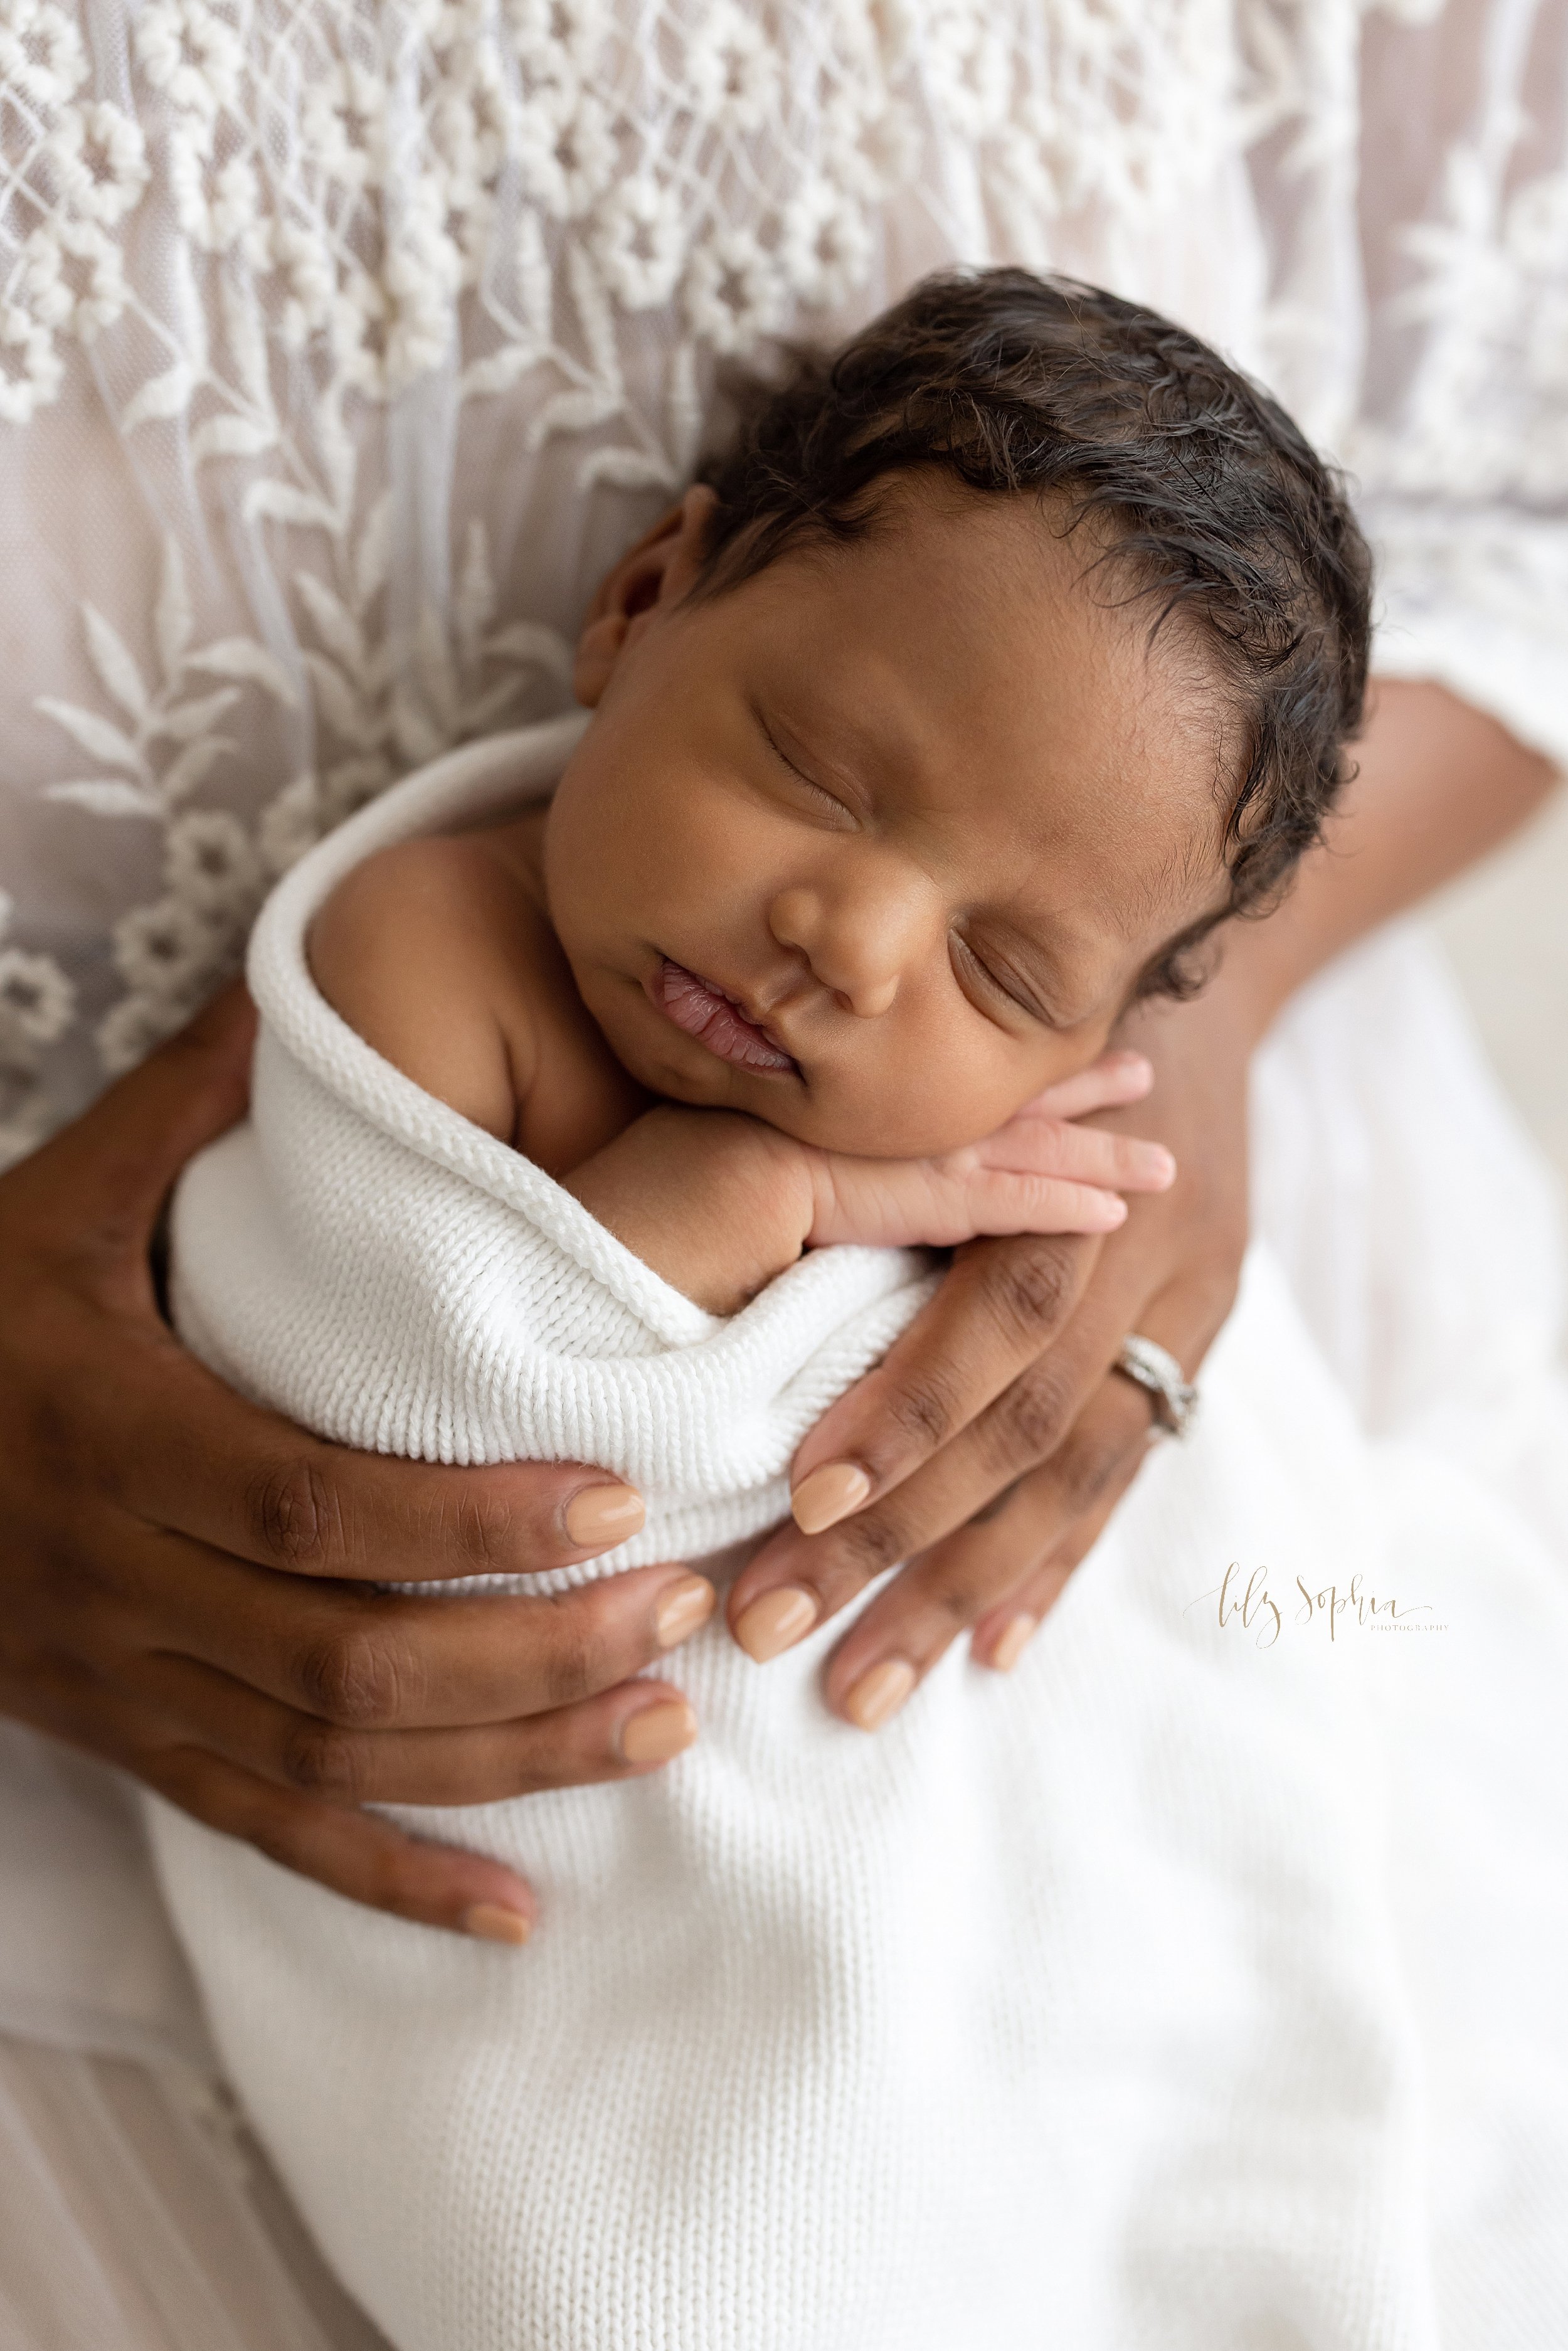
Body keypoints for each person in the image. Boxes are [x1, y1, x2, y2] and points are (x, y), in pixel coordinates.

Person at [1, 5, 1564, 2347]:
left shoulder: (1054, 1057)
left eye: (1006, 954)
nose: (845, 935)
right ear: (643, 606)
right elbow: (492, 1373)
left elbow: (1521, 474)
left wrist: (1168, 1052)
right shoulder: (444, 940)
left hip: (1174, 1399)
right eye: (820, 780)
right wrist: (805, 1208)